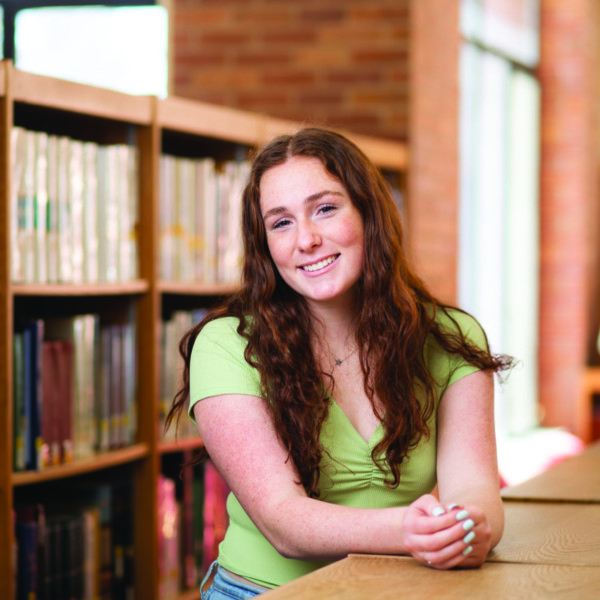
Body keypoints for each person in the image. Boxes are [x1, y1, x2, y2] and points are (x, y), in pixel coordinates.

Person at [166, 127, 513, 599]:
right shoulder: (228, 344)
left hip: (406, 590)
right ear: (265, 245)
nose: (305, 239)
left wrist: (469, 531)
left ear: (369, 214)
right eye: (280, 223)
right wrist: (408, 532)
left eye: (325, 209)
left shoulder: (450, 337)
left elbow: (475, 490)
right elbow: (284, 522)